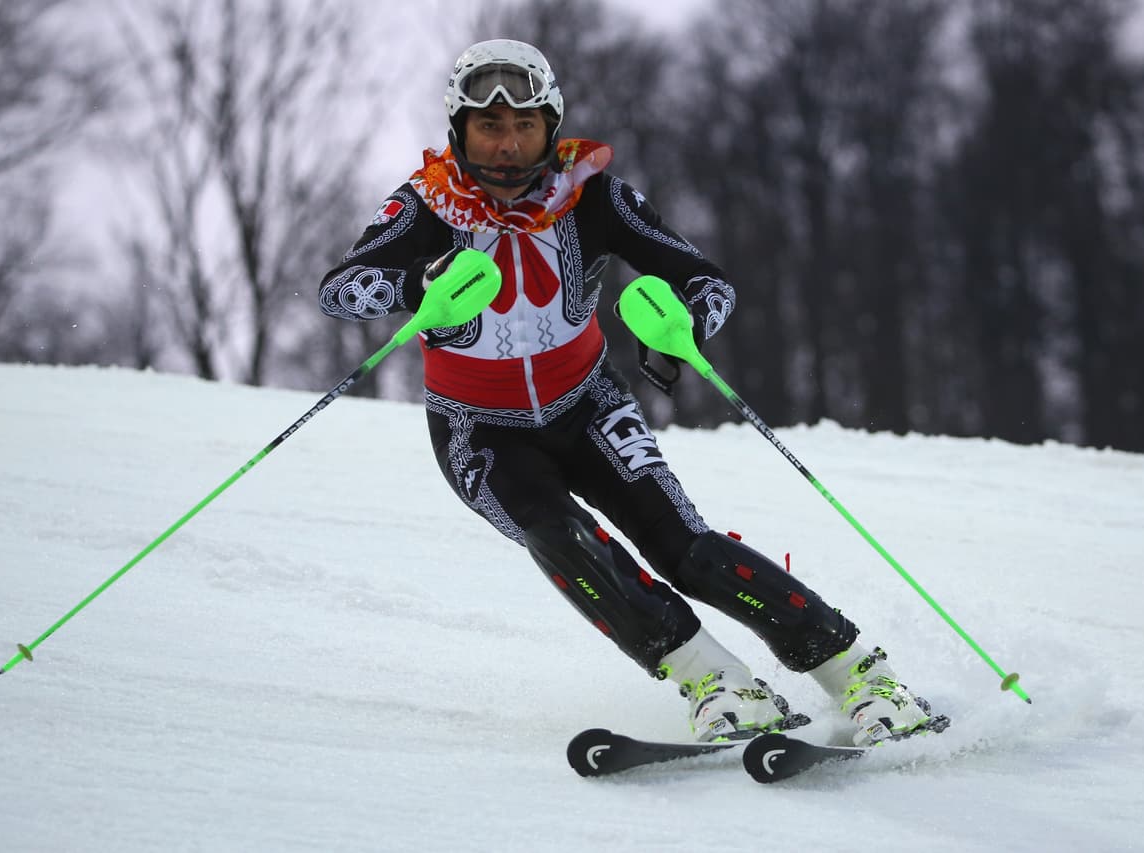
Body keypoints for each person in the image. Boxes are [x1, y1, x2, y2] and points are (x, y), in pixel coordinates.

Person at [319, 38, 941, 745]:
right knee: (560, 537)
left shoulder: (593, 195)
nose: (508, 146)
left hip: (588, 404)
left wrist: (681, 325)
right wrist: (414, 285)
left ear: (551, 127)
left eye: (525, 125)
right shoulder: (425, 203)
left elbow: (707, 281)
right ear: (459, 130)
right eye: (489, 126)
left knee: (684, 547)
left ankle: (862, 675)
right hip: (477, 427)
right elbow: (338, 290)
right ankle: (717, 681)